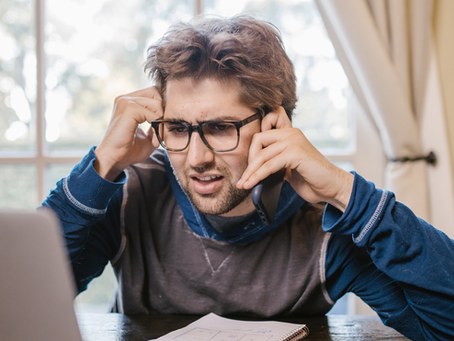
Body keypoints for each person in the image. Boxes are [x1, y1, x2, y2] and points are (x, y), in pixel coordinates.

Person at [41, 15, 454, 341]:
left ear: (275, 125)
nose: (196, 159)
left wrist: (348, 195)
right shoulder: (130, 192)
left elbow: (444, 326)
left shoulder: (326, 226)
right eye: (179, 129)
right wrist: (102, 165)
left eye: (221, 127)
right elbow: (20, 303)